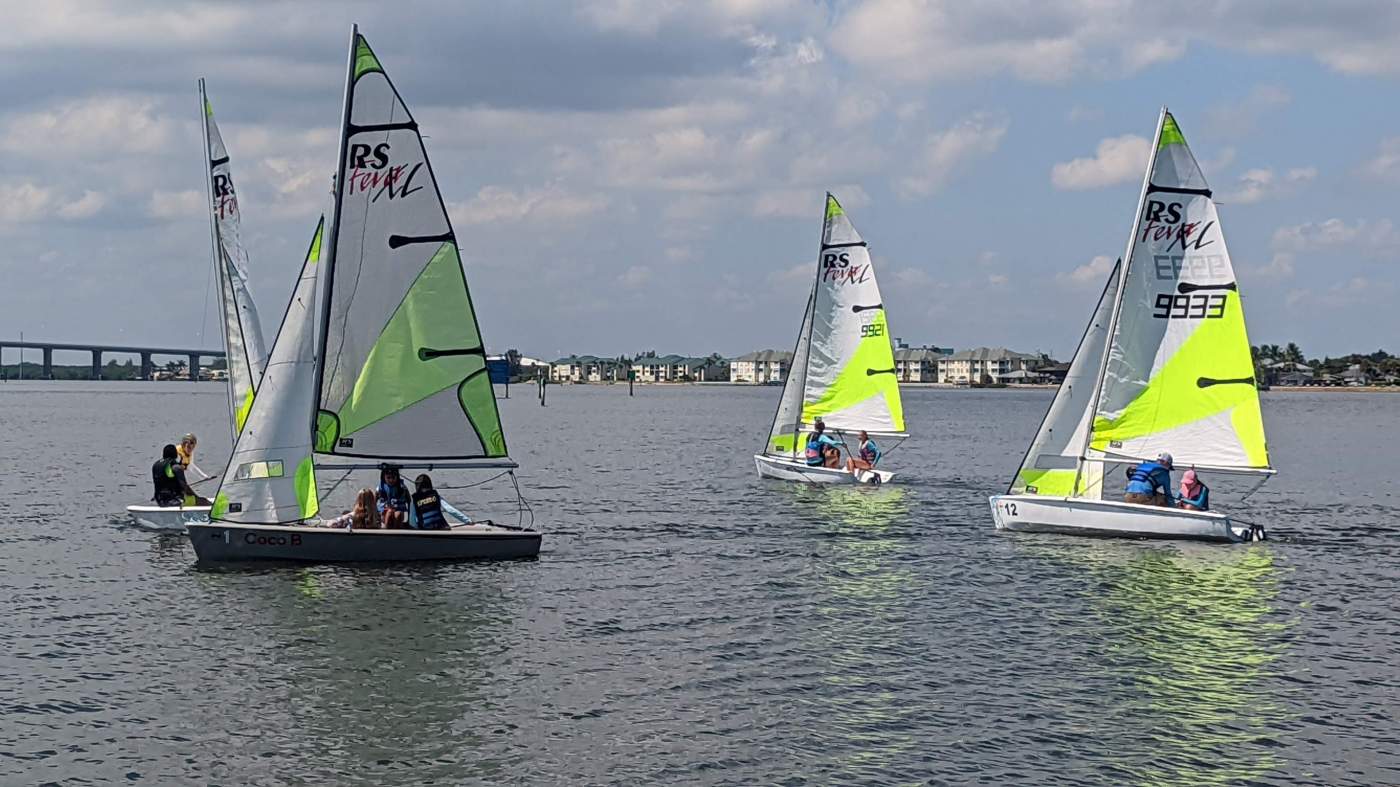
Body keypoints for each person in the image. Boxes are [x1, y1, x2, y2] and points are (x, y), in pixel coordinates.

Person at [409, 474, 473, 530]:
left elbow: (412, 521)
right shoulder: (435, 495)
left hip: (425, 529)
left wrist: (417, 528)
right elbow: (450, 509)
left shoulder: (414, 499)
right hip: (440, 527)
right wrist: (467, 521)